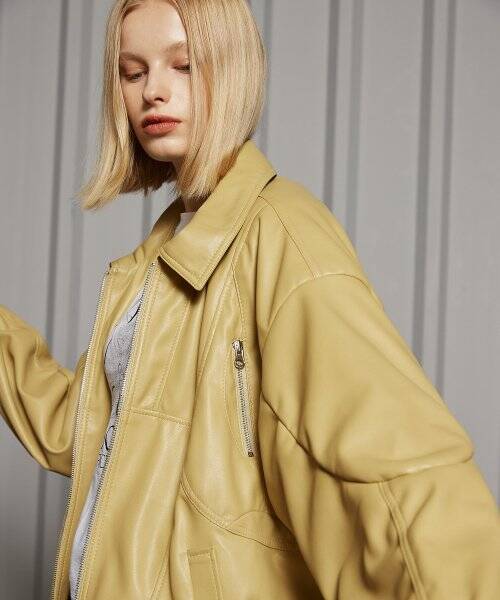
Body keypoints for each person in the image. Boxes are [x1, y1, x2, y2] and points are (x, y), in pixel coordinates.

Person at [1, 0, 499, 598]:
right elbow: (82, 427)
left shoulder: (281, 231)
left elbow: (397, 464)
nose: (153, 91)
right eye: (133, 72)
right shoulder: (158, 259)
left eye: (183, 65)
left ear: (232, 68)